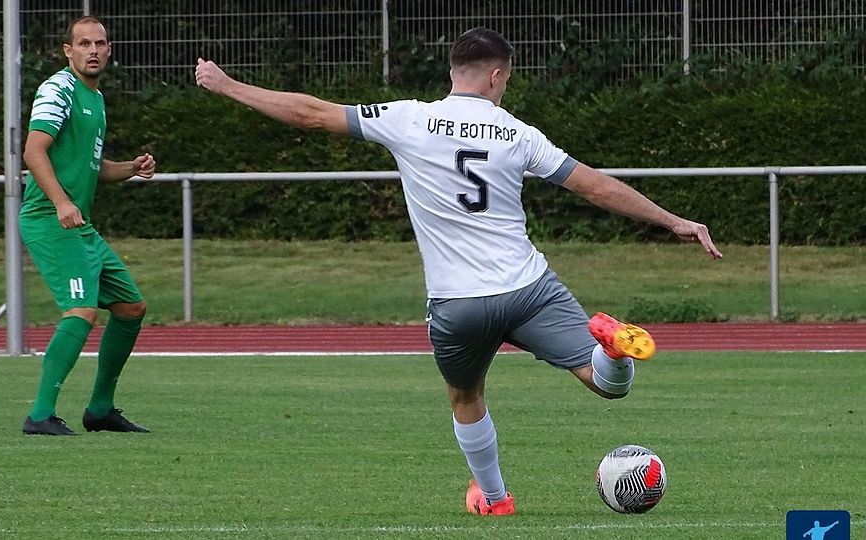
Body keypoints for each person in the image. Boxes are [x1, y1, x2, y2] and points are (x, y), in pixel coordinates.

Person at [195, 27, 722, 514]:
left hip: (458, 304)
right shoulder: (518, 134)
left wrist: (227, 85)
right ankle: (612, 351)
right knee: (607, 386)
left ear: (453, 71)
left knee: (466, 397)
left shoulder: (406, 118)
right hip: (528, 287)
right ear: (497, 76)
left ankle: (495, 497)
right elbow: (594, 186)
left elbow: (311, 113)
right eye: (507, 81)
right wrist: (671, 220)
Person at [19, 16, 155, 436]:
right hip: (49, 219)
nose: (92, 50)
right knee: (81, 310)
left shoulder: (95, 100)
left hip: (79, 224)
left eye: (99, 43)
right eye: (83, 44)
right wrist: (60, 202)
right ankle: (40, 415)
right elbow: (33, 151)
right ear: (68, 50)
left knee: (131, 308)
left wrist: (131, 168)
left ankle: (99, 410)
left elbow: (94, 169)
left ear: (109, 50)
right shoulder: (57, 89)